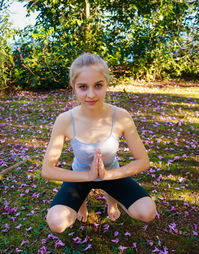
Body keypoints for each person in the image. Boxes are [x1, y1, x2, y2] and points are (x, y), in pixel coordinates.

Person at [41, 53, 157, 233]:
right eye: (83, 87)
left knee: (147, 211)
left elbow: (143, 161)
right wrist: (88, 176)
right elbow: (47, 169)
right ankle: (81, 205)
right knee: (56, 222)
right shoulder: (64, 120)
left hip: (112, 173)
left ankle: (112, 201)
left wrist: (107, 174)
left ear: (107, 83)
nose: (91, 94)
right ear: (73, 87)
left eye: (98, 85)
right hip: (80, 175)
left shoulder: (121, 116)